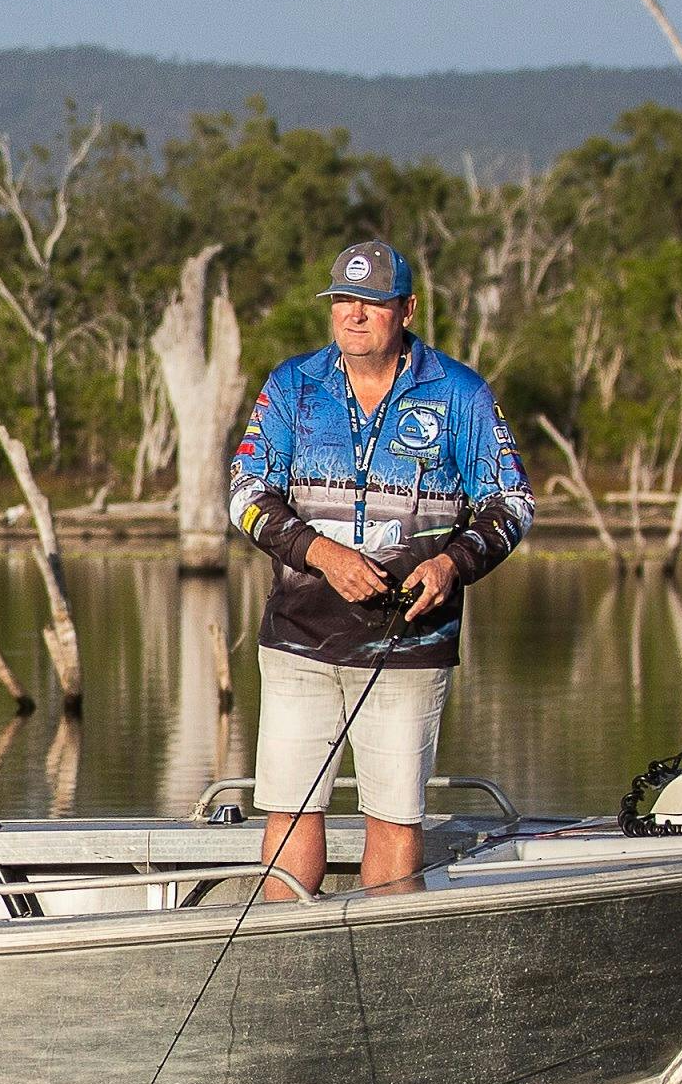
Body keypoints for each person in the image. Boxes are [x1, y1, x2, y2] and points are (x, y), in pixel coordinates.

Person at [225, 239, 529, 899]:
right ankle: (284, 962)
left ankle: (392, 972)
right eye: (343, 301)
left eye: (371, 302)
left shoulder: (459, 394)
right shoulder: (292, 387)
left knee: (394, 817)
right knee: (291, 808)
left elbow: (513, 501)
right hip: (299, 638)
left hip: (410, 644)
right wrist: (322, 555)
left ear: (407, 309)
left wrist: (454, 563)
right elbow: (246, 492)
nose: (354, 315)